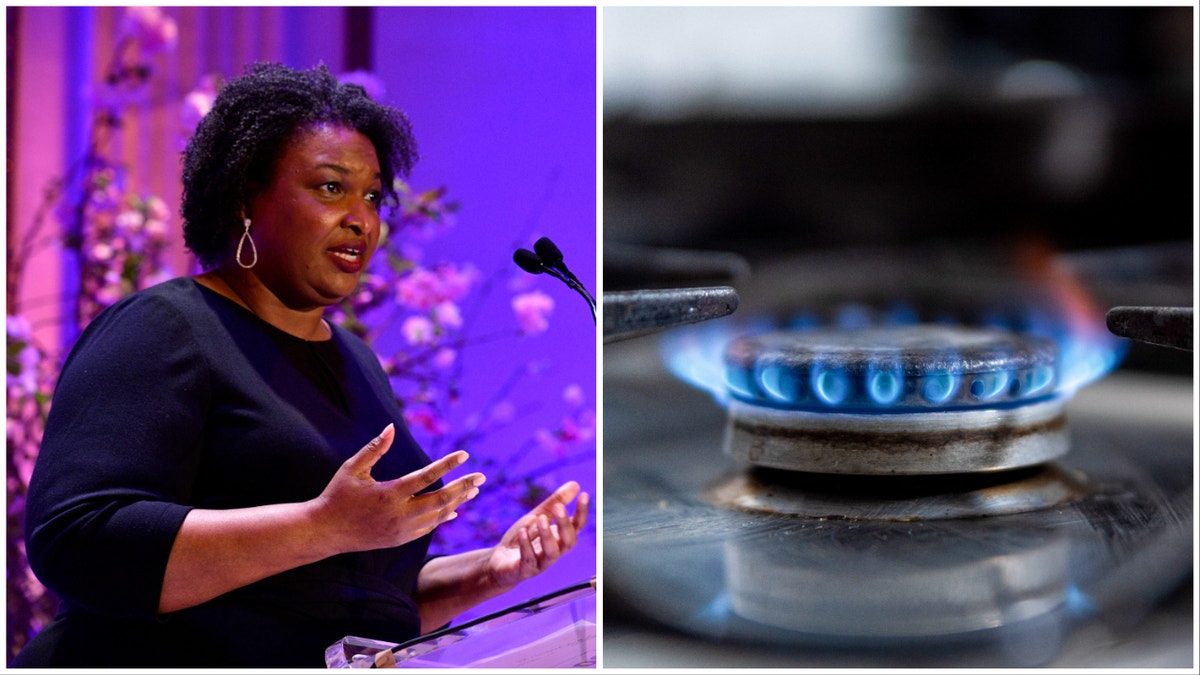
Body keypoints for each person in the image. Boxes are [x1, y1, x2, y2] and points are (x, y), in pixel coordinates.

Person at [13, 62, 589, 668]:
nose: (360, 218)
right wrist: (322, 526)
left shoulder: (357, 362)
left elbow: (358, 601)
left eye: (372, 195)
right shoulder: (165, 326)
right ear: (243, 199)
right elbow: (78, 541)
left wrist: (493, 570)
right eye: (330, 187)